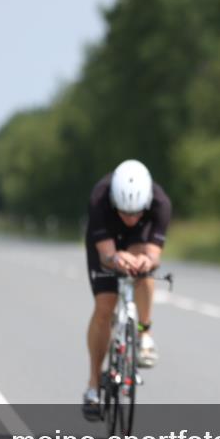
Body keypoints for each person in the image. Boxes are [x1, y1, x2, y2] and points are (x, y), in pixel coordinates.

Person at [82, 159, 172, 419]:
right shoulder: (100, 198)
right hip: (106, 238)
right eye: (125, 212)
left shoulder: (160, 204)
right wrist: (116, 259)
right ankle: (93, 384)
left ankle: (144, 333)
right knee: (104, 306)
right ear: (114, 201)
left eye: (135, 213)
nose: (130, 218)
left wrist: (146, 261)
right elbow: (107, 253)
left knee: (143, 269)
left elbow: (154, 254)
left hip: (138, 240)